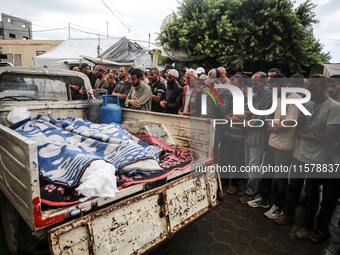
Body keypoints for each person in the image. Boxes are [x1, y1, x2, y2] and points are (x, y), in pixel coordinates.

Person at [276, 75, 340, 244]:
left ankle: (306, 225)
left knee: (312, 192)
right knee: (295, 186)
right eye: (308, 89)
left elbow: (329, 136)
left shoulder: (334, 107)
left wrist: (306, 134)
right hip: (300, 153)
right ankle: (289, 214)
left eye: (314, 89)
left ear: (324, 88)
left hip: (319, 158)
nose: (310, 93)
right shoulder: (306, 102)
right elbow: (299, 126)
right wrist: (306, 133)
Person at [247, 73, 301, 220]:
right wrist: (272, 125)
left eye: (274, 88)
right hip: (272, 142)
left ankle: (278, 206)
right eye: (270, 88)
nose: (271, 91)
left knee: (281, 178)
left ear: (284, 86)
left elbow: (290, 123)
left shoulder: (294, 99)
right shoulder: (278, 98)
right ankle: (263, 200)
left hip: (284, 146)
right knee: (267, 172)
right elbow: (271, 120)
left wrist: (274, 126)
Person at [239, 72, 273, 203]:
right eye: (252, 83)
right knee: (248, 165)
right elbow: (249, 113)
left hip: (258, 137)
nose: (253, 86)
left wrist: (250, 124)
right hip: (248, 135)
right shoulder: (256, 95)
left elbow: (265, 117)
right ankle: (249, 189)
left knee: (254, 166)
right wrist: (246, 122)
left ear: (265, 83)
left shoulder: (269, 96)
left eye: (256, 83)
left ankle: (251, 192)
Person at [222, 74, 250, 194]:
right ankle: (224, 179)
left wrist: (231, 116)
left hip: (240, 136)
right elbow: (224, 111)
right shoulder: (230, 96)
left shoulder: (248, 98)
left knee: (238, 161)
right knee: (226, 158)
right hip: (227, 132)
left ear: (242, 85)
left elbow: (246, 116)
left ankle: (235, 183)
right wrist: (232, 117)